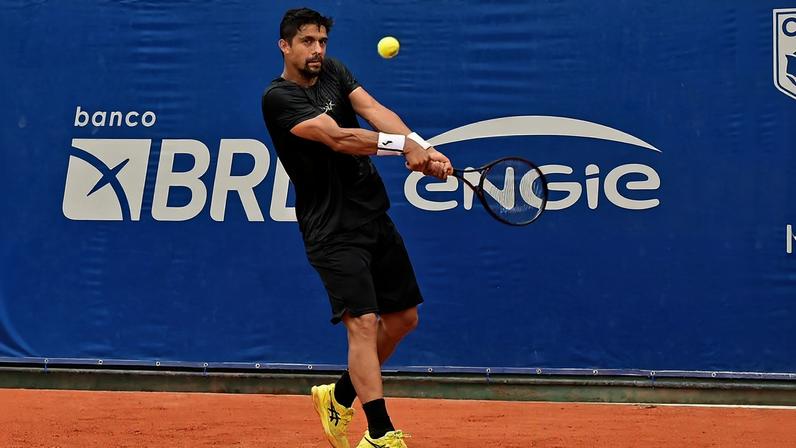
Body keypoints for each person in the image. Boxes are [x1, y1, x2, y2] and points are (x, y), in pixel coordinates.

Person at [260, 7, 452, 448]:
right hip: (331, 229)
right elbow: (339, 138)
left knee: (403, 319)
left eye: (322, 41)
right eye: (307, 42)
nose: (317, 50)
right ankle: (380, 433)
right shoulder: (278, 98)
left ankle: (339, 396)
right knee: (363, 322)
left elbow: (374, 110)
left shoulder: (334, 71)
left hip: (372, 213)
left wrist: (424, 149)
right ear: (285, 46)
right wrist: (403, 147)